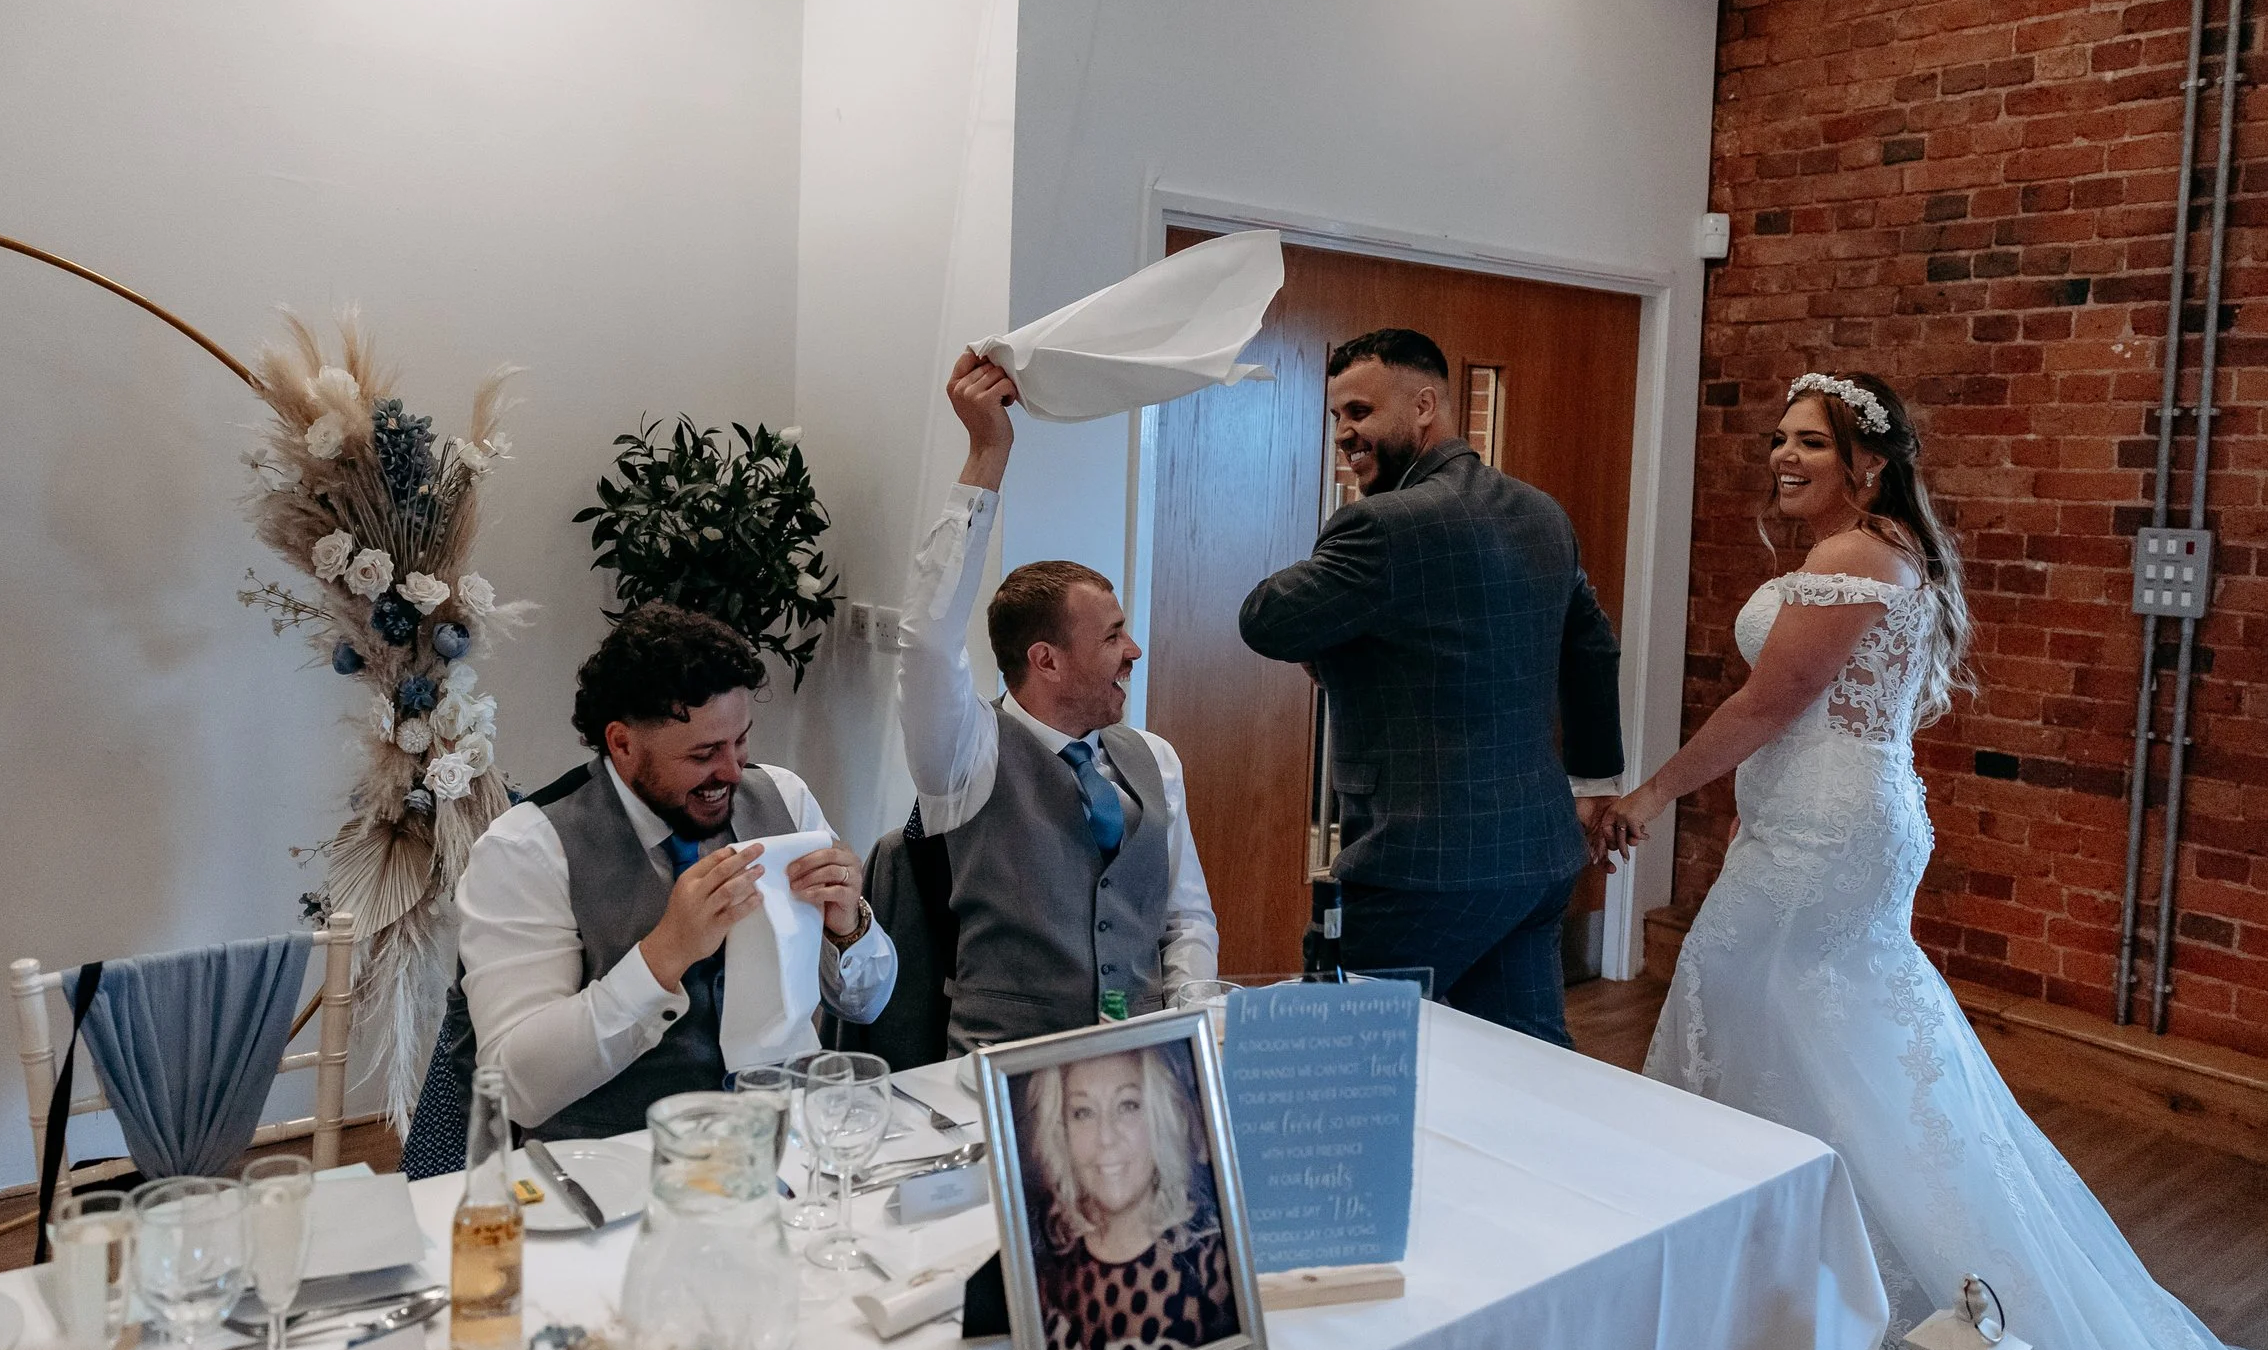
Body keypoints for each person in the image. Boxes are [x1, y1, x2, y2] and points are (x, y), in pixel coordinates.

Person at [1600, 372, 2268, 1350]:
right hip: (1823, 821)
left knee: (1756, 1005)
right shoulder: (1879, 554)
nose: (1781, 455)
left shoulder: (1856, 553)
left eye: (1808, 442)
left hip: (1825, 833)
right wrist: (1751, 812)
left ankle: (1800, 1292)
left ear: (1864, 462)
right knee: (1817, 1030)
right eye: (1777, 438)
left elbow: (1771, 701)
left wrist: (1653, 791)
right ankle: (1777, 1273)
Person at [1238, 328, 1624, 1046]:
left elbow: (1266, 619)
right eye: (1336, 418)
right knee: (1525, 1069)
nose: (1346, 433)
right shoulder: (1541, 511)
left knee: (1347, 1062)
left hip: (1421, 860)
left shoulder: (1380, 525)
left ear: (1424, 406)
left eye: (1360, 411)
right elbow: (1593, 646)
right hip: (1533, 856)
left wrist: (1337, 638)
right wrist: (1595, 778)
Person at [454, 602, 896, 1138]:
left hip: (791, 1139)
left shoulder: (784, 799)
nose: (733, 772)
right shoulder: (526, 850)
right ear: (622, 743)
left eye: (741, 741)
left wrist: (848, 928)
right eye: (704, 753)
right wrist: (666, 952)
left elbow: (864, 1003)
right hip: (617, 1167)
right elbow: (516, 1086)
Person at [895, 354, 1220, 1051]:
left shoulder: (1153, 758)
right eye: (1112, 636)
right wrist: (987, 453)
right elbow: (926, 640)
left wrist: (1188, 1027)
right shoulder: (967, 755)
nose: (1134, 650)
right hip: (1006, 1074)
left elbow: (1184, 919)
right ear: (1045, 659)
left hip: (1139, 1073)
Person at [1024, 1046, 1239, 1350]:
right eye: (1083, 1113)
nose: (1105, 1138)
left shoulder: (1213, 1269)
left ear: (1164, 1116)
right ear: (1060, 1132)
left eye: (1128, 1106)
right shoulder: (1047, 1277)